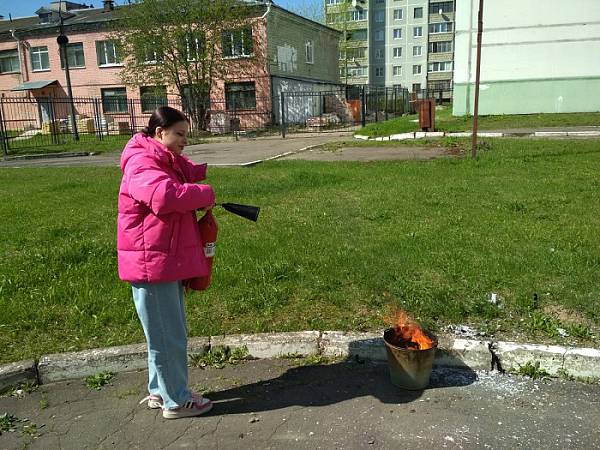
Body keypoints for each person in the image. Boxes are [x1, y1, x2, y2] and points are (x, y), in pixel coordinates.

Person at [117, 106, 215, 419]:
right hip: (153, 263)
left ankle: (160, 392)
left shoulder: (157, 158)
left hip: (161, 259)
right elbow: (164, 196)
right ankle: (177, 401)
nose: (185, 140)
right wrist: (205, 193)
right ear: (160, 133)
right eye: (179, 134)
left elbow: (176, 173)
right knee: (169, 336)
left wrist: (197, 174)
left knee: (162, 333)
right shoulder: (141, 161)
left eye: (187, 134)